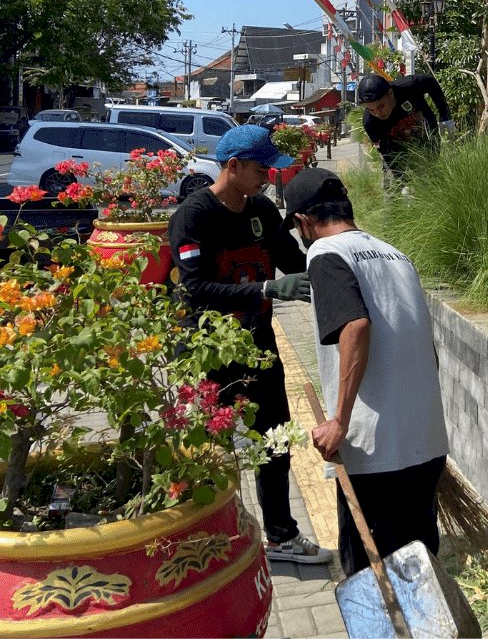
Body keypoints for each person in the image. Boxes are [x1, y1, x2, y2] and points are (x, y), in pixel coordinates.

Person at [168, 124, 331, 565]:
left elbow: (293, 262)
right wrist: (264, 291)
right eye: (262, 169)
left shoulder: (261, 208)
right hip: (206, 351)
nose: (268, 178)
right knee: (204, 450)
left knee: (274, 439)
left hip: (258, 346)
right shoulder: (194, 215)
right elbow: (196, 288)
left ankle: (280, 535)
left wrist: (328, 239)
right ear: (233, 166)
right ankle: (202, 541)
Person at [283, 167, 449, 575]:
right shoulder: (395, 254)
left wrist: (339, 419)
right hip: (425, 443)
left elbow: (355, 327)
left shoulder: (325, 255)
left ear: (304, 222)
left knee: (375, 580)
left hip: (377, 455)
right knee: (420, 571)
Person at [358, 72, 455, 173]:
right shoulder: (370, 123)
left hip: (425, 132)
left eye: (381, 106)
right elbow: (387, 154)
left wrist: (445, 116)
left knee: (430, 168)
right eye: (370, 110)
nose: (377, 113)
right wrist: (402, 180)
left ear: (390, 94)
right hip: (397, 147)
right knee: (395, 177)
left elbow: (430, 81)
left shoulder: (408, 86)